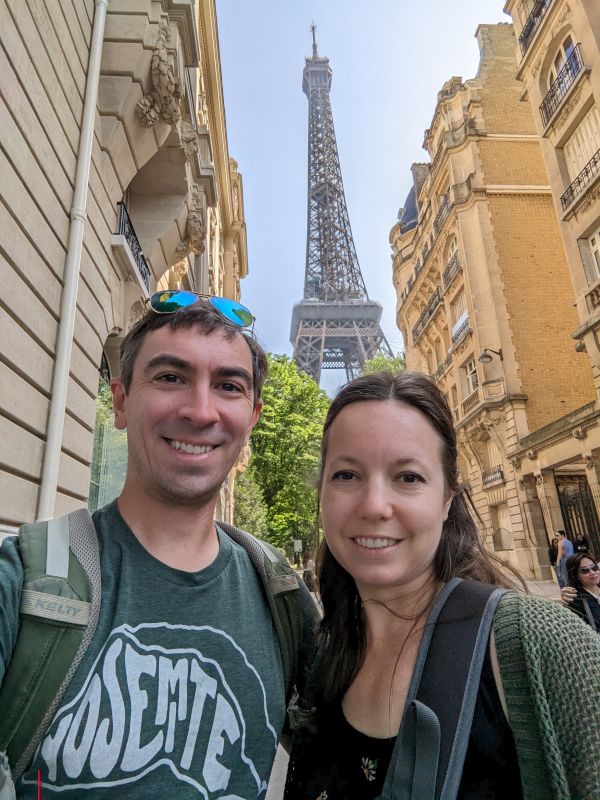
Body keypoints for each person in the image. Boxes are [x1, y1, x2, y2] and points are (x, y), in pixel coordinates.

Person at [0, 293, 317, 798]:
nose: (200, 410)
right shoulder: (23, 583)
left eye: (229, 386)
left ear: (253, 416)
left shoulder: (282, 598)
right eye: (170, 377)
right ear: (121, 401)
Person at [284, 371, 600, 800]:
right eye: (346, 475)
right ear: (321, 492)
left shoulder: (544, 644)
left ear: (448, 497)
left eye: (408, 477)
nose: (375, 505)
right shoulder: (323, 654)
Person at [565, 552, 600, 633]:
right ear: (576, 575)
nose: (592, 572)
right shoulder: (575, 600)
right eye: (585, 570)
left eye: (594, 568)